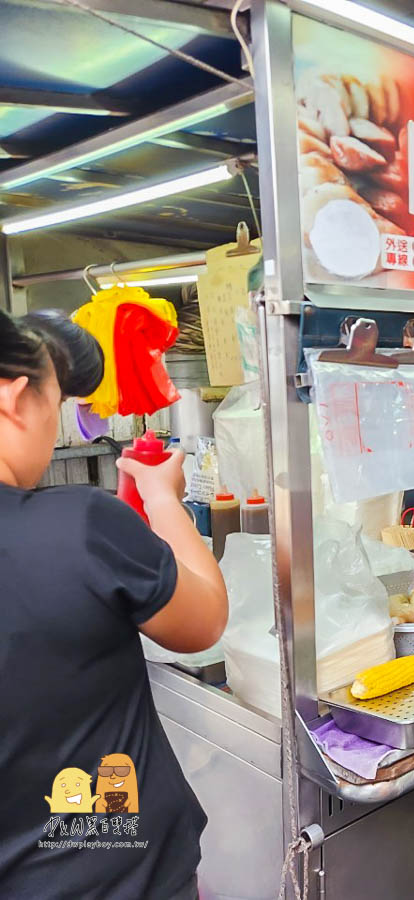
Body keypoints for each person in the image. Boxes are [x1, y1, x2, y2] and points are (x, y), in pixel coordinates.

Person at [0, 309, 228, 899]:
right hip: (117, 876)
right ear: (14, 396)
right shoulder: (79, 527)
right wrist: (165, 502)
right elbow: (202, 621)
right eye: (54, 404)